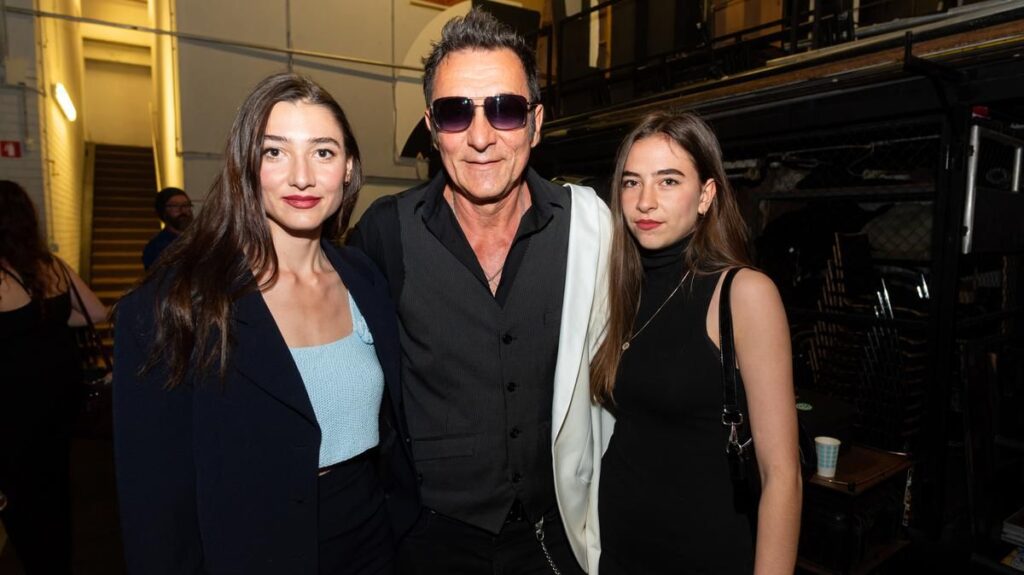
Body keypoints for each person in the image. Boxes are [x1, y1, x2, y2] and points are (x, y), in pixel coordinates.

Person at [113, 73, 417, 575]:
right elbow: (154, 502)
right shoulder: (175, 305)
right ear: (245, 166)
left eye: (323, 152)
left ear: (348, 168)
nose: (302, 177)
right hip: (251, 550)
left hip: (372, 539)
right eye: (275, 152)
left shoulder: (364, 277)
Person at [349, 8, 611, 574]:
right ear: (431, 126)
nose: (481, 137)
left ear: (536, 123)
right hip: (429, 541)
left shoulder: (586, 227)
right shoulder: (386, 232)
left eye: (505, 109)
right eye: (455, 112)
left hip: (555, 533)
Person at [591, 111, 802, 574]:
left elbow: (782, 475)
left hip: (703, 555)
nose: (645, 201)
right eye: (631, 183)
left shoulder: (744, 294)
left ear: (706, 195)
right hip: (617, 552)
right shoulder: (622, 290)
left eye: (668, 181)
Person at [0, 180, 109, 574]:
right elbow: (95, 312)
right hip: (61, 399)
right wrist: (46, 320)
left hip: (13, 411)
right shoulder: (51, 267)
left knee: (20, 500)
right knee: (55, 489)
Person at [142, 186, 193, 270]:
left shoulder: (199, 238)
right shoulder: (157, 247)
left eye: (186, 205)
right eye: (175, 206)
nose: (183, 210)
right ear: (163, 211)